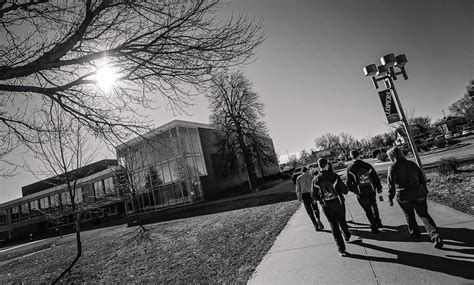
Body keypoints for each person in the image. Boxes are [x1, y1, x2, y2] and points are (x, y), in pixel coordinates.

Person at [386, 146, 444, 248]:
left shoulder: (393, 167)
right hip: (418, 192)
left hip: (403, 195)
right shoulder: (412, 164)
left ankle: (416, 235)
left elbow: (391, 184)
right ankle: (435, 235)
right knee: (424, 214)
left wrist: (390, 197)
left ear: (391, 156)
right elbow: (422, 178)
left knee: (409, 215)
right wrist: (425, 190)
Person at [313, 158, 351, 256]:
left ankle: (341, 249)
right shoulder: (334, 176)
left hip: (326, 206)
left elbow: (314, 195)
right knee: (342, 220)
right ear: (327, 165)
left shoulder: (316, 179)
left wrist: (321, 200)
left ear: (319, 166)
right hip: (339, 203)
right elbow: (344, 190)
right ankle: (347, 235)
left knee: (333, 226)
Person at [346, 149, 383, 233]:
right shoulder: (367, 165)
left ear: (351, 157)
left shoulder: (350, 168)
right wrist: (379, 187)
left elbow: (348, 183)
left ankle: (374, 226)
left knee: (367, 210)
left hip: (360, 192)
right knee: (374, 204)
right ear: (359, 155)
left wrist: (355, 191)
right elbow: (375, 177)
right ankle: (378, 221)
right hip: (371, 189)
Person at [296, 167, 325, 231]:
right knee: (315, 208)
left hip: (304, 196)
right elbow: (315, 186)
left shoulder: (299, 178)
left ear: (302, 171)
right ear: (307, 170)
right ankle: (318, 220)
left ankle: (315, 225)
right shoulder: (311, 176)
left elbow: (298, 189)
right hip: (312, 194)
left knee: (309, 211)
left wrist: (299, 197)